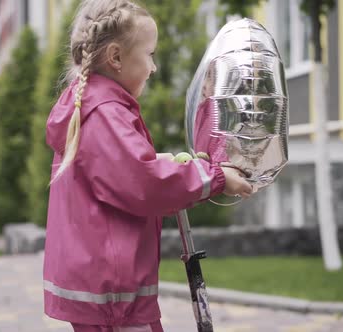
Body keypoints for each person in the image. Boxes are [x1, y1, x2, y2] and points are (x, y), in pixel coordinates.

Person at [42, 1, 253, 331]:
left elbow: (120, 173)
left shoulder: (90, 104)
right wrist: (216, 178)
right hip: (114, 293)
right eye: (150, 54)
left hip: (101, 284)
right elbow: (143, 183)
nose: (154, 67)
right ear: (116, 57)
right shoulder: (106, 112)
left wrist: (163, 163)